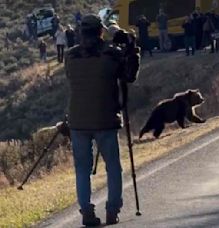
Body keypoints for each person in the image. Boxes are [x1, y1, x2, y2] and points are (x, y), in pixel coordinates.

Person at [65, 14, 140, 226]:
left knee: (82, 169)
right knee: (113, 167)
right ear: (100, 31)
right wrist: (131, 50)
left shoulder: (70, 56)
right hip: (105, 118)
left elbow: (72, 77)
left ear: (80, 33)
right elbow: (129, 76)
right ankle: (112, 210)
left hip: (78, 119)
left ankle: (87, 212)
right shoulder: (111, 54)